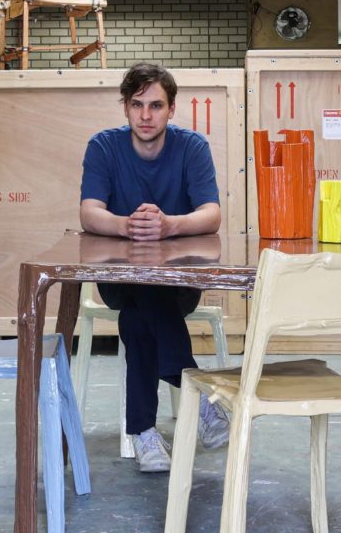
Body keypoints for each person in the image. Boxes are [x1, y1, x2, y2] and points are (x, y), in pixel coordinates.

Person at [78, 62, 229, 473]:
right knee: (140, 292)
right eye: (138, 105)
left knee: (138, 317)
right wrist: (127, 226)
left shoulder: (192, 147)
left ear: (172, 108)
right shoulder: (104, 147)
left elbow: (211, 214)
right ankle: (198, 393)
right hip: (118, 279)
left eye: (156, 105)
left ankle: (143, 433)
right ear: (125, 108)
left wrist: (169, 226)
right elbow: (89, 213)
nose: (146, 116)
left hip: (179, 281)